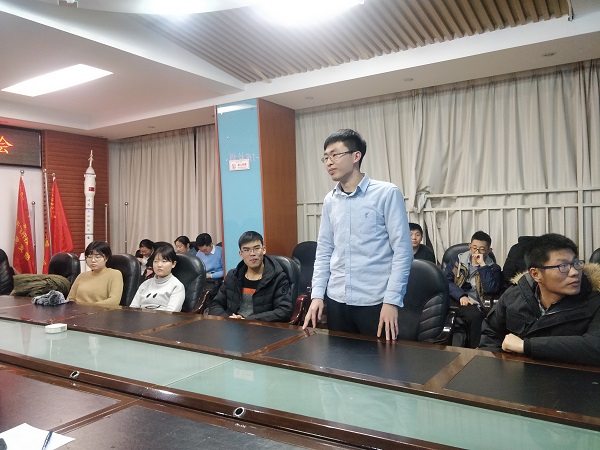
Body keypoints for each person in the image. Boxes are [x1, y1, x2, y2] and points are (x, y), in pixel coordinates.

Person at [302, 129, 413, 340]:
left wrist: (391, 301)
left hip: (375, 301)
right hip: (337, 299)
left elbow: (403, 251)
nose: (329, 162)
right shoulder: (330, 200)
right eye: (325, 157)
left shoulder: (386, 193)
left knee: (380, 359)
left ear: (356, 156)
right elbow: (324, 250)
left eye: (335, 155)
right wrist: (317, 295)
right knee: (339, 359)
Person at [480, 233, 600, 366]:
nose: (575, 272)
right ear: (536, 274)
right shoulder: (515, 296)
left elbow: (595, 347)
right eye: (563, 266)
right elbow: (490, 334)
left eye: (576, 263)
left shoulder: (594, 302)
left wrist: (526, 346)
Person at [208, 231, 292, 322]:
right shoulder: (233, 276)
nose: (252, 253)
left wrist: (247, 320)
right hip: (232, 326)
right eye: (247, 250)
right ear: (241, 254)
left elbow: (284, 311)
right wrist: (229, 319)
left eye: (256, 248)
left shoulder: (277, 277)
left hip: (261, 327)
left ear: (263, 250)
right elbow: (215, 304)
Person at [444, 231, 502, 348]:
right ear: (469, 246)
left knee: (476, 316)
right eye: (474, 248)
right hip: (455, 299)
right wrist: (461, 295)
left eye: (482, 249)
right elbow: (445, 281)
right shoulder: (457, 261)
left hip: (477, 303)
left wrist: (483, 265)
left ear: (489, 250)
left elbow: (490, 289)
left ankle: (476, 349)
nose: (476, 252)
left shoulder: (493, 268)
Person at [130, 245, 185, 312]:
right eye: (156, 261)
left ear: (173, 264)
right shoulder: (145, 284)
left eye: (164, 261)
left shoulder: (177, 286)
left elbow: (171, 312)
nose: (159, 265)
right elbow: (133, 308)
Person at [68, 241, 123, 306]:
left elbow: (114, 301)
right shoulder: (82, 276)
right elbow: (70, 298)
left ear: (106, 258)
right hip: (77, 311)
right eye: (89, 257)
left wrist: (89, 308)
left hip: (101, 311)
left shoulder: (115, 274)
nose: (93, 260)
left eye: (97, 257)